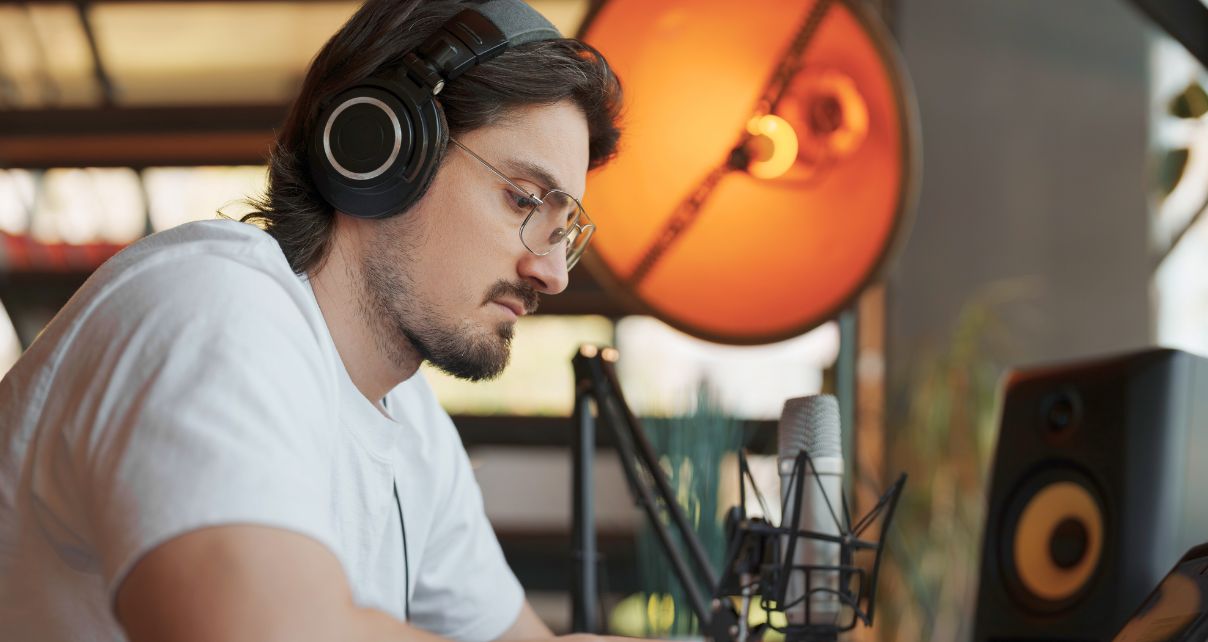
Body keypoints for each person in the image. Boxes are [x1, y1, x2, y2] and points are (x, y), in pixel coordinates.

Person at [0, 0, 624, 640]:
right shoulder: (213, 304)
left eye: (563, 234)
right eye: (523, 199)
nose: (553, 273)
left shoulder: (413, 423)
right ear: (378, 146)